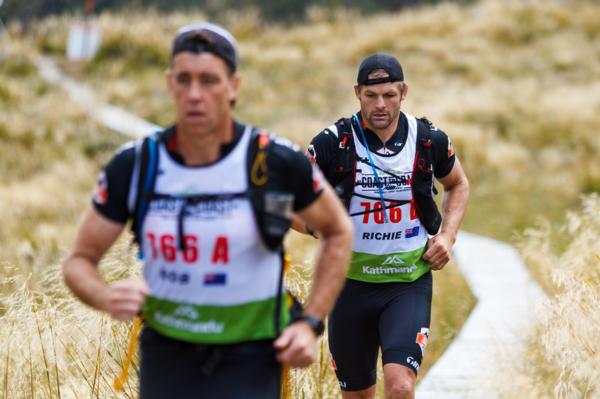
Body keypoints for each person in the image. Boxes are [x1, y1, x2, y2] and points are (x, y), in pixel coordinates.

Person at [62, 22, 353, 399]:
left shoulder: (275, 160)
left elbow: (338, 230)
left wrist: (310, 323)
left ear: (233, 86)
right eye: (184, 79)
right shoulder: (136, 165)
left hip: (252, 352)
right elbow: (78, 262)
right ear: (170, 84)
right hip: (167, 353)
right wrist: (103, 296)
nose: (194, 94)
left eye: (209, 80)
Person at [301, 53, 469, 399]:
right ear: (357, 93)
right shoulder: (333, 142)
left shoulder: (427, 138)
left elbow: (458, 184)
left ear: (403, 92)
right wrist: (320, 229)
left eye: (389, 95)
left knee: (401, 385)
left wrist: (448, 236)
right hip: (348, 285)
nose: (380, 105)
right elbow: (286, 200)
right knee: (358, 395)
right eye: (371, 95)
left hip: (407, 284)